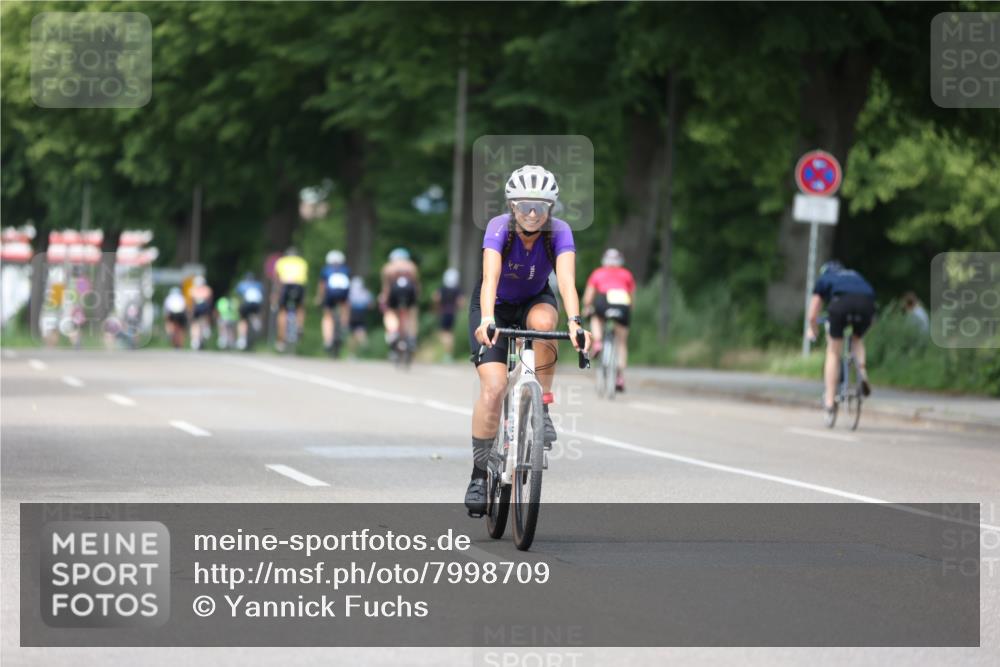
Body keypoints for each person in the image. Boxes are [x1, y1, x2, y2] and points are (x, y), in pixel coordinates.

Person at [465, 164, 591, 515]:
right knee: (493, 388)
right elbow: (490, 278)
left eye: (540, 206)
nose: (532, 213)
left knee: (546, 323)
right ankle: (479, 475)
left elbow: (566, 282)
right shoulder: (499, 228)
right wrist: (487, 319)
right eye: (524, 206)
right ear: (512, 206)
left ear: (551, 207)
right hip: (494, 306)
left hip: (535, 301)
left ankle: (542, 407)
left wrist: (576, 323)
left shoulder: (559, 232)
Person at [807, 260, 876, 422]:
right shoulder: (855, 275)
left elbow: (813, 313)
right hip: (866, 305)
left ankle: (830, 401)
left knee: (833, 352)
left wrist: (813, 329)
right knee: (857, 339)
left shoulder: (825, 278)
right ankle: (862, 373)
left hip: (841, 304)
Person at [582, 248, 636, 392]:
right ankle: (620, 377)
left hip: (604, 300)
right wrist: (628, 311)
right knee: (621, 343)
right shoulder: (627, 274)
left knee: (595, 317)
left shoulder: (598, 273)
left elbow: (588, 297)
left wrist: (587, 307)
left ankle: (598, 342)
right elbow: (632, 298)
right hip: (622, 303)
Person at [378, 247, 420, 358]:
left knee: (390, 312)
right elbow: (416, 285)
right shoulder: (411, 266)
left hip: (394, 292)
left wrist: (384, 298)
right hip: (409, 292)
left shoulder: (388, 267)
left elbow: (386, 287)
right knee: (412, 314)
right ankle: (411, 338)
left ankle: (393, 332)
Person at [272, 246, 309, 351]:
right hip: (299, 286)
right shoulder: (302, 262)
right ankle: (300, 326)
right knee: (300, 307)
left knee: (282, 310)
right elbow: (305, 279)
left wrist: (275, 294)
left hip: (285, 285)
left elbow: (277, 280)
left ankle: (281, 338)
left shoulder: (281, 262)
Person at [315, 250, 351, 355]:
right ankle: (344, 325)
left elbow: (322, 285)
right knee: (345, 307)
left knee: (327, 316)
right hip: (343, 294)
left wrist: (319, 297)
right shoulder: (346, 270)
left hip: (330, 294)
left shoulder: (326, 270)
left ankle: (328, 340)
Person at [434, 268, 464, 361]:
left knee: (444, 333)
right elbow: (461, 302)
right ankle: (449, 354)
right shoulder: (457, 289)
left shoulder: (442, 288)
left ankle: (446, 354)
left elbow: (436, 298)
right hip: (453, 313)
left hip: (444, 312)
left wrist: (437, 308)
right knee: (450, 333)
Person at [235, 271, 264, 350]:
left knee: (242, 320)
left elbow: (239, 295)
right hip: (257, 304)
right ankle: (256, 321)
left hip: (247, 303)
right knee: (255, 313)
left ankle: (242, 338)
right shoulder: (258, 284)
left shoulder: (242, 284)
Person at [347, 276, 373, 356]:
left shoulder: (349, 293)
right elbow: (370, 305)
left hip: (352, 314)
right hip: (362, 314)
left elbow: (347, 305)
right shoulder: (366, 293)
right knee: (360, 330)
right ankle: (363, 340)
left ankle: (352, 353)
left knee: (352, 334)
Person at [189, 275, 213, 350]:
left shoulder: (193, 290)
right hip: (202, 309)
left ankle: (197, 338)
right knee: (199, 323)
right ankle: (204, 331)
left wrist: (191, 311)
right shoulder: (207, 289)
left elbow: (192, 302)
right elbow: (209, 301)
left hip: (200, 308)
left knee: (196, 324)